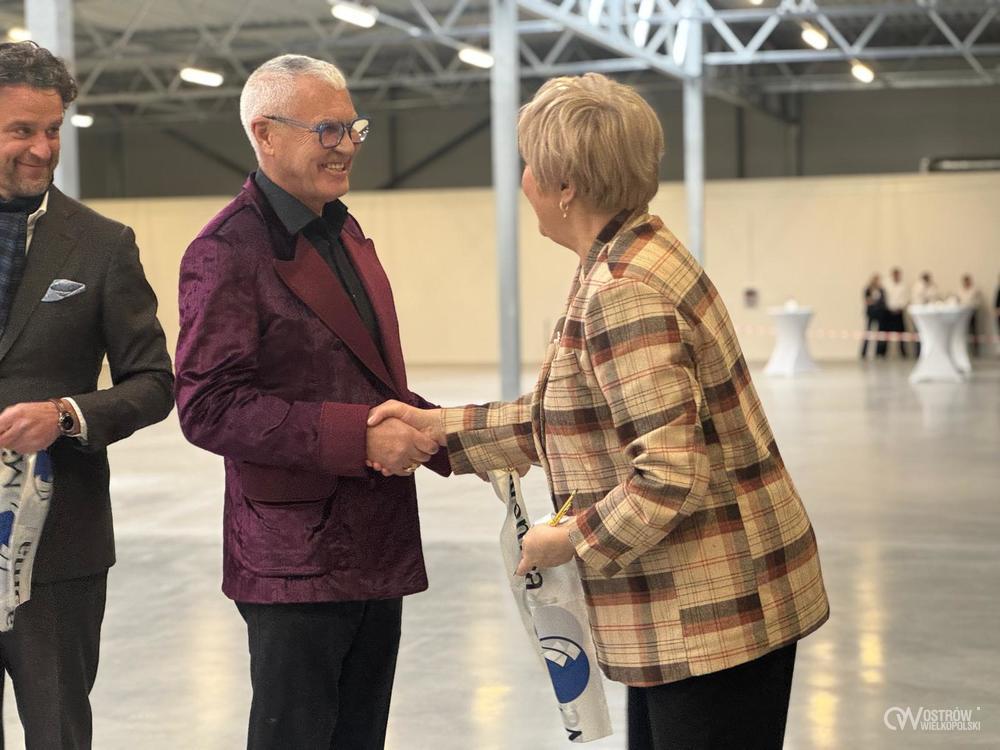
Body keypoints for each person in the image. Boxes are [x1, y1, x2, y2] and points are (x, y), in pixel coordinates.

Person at [369, 73, 829, 750]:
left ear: (565, 187)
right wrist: (438, 431)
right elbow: (573, 417)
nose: (524, 181)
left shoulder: (623, 290)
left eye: (530, 165)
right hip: (703, 612)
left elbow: (669, 476)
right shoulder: (626, 252)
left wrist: (569, 540)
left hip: (712, 617)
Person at [173, 54, 450, 750]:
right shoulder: (227, 249)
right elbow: (208, 405)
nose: (347, 145)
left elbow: (366, 381)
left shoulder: (343, 232)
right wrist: (360, 438)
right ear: (265, 134)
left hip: (373, 541)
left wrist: (454, 433)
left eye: (353, 127)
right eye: (327, 130)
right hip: (294, 558)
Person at [0, 41, 173, 748]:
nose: (43, 149)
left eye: (53, 129)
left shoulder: (102, 245)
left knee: (59, 733)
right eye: (22, 130)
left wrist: (67, 415)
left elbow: (154, 382)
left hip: (58, 550)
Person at [883, 267, 909, 358]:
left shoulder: (903, 285)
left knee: (901, 333)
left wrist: (901, 307)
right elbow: (884, 297)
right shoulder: (886, 284)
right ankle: (883, 353)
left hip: (899, 312)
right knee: (885, 334)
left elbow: (905, 298)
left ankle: (903, 353)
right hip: (888, 312)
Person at [861, 273, 886, 359]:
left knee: (880, 334)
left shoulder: (881, 290)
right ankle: (863, 353)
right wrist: (874, 302)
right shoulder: (868, 289)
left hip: (879, 314)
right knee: (868, 332)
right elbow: (867, 301)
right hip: (871, 313)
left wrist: (874, 302)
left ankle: (879, 353)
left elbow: (882, 301)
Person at [957, 274, 983, 357]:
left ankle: (976, 351)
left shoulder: (974, 290)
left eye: (967, 281)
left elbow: (978, 301)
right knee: (964, 331)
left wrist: (973, 306)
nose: (966, 283)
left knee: (974, 331)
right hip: (963, 313)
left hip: (972, 312)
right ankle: (965, 350)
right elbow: (959, 300)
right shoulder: (960, 290)